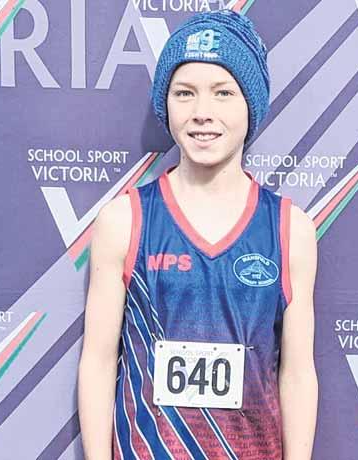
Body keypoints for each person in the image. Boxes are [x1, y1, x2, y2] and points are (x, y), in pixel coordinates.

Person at [78, 9, 318, 460]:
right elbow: (98, 360)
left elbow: (297, 372)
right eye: (184, 93)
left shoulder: (291, 229)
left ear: (250, 104)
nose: (202, 113)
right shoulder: (123, 221)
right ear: (166, 104)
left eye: (223, 93)